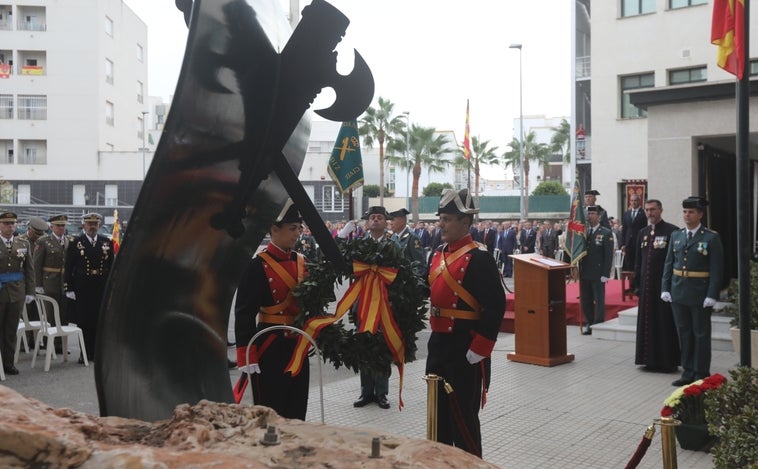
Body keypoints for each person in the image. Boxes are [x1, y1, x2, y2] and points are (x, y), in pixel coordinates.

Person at [426, 188, 505, 457]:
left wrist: (480, 349)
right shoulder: (437, 253)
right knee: (438, 417)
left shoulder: (480, 258)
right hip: (439, 346)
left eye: (447, 219)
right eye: (441, 218)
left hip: (465, 348)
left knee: (463, 419)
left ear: (465, 222)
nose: (441, 224)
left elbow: (495, 306)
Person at [234, 201, 310, 419]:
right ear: (274, 229)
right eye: (292, 228)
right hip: (270, 345)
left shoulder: (303, 262)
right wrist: (246, 355)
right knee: (270, 409)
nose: (297, 233)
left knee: (297, 406)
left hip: (298, 344)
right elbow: (244, 312)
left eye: (299, 228)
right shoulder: (256, 266)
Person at [661, 196, 723, 387]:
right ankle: (687, 372)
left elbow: (717, 268)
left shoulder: (710, 237)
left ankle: (701, 372)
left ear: (700, 214)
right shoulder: (676, 236)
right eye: (685, 212)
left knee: (700, 334)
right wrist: (665, 287)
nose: (687, 216)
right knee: (684, 334)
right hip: (678, 292)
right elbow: (669, 264)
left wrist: (712, 294)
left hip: (699, 293)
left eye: (691, 212)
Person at [339, 206, 394, 410]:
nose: (376, 220)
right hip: (362, 304)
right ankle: (366, 392)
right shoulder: (358, 244)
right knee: (364, 347)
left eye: (380, 217)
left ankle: (381, 393)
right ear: (367, 222)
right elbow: (341, 259)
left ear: (386, 222)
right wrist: (343, 236)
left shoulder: (393, 243)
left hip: (384, 305)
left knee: (381, 348)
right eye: (372, 217)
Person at [632, 199, 680, 372]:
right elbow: (639, 260)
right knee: (647, 322)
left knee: (664, 322)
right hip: (646, 286)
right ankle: (648, 359)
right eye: (647, 210)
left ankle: (667, 361)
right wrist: (636, 283)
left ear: (661, 210)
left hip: (663, 287)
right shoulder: (642, 232)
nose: (649, 213)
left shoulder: (672, 231)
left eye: (653, 209)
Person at [65, 212, 113, 363]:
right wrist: (69, 288)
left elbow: (111, 266)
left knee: (99, 320)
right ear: (84, 225)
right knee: (84, 321)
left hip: (101, 285)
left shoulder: (106, 242)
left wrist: (112, 287)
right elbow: (68, 267)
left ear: (99, 225)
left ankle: (97, 352)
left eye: (95, 224)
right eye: (89, 224)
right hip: (82, 286)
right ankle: (84, 353)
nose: (92, 227)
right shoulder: (76, 242)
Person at [0, 211, 36, 376]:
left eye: (12, 224)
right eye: (6, 223)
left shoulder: (23, 243)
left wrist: (30, 292)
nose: (10, 226)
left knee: (10, 330)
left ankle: (8, 363)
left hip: (17, 292)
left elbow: (29, 269)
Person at [33, 214, 70, 354]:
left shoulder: (68, 241)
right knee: (50, 316)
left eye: (63, 225)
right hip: (49, 282)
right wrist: (38, 285)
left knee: (63, 314)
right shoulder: (43, 241)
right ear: (52, 227)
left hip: (63, 283)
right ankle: (51, 344)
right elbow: (36, 264)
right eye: (58, 225)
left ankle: (61, 345)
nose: (61, 228)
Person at [579, 206, 614, 335]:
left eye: (593, 213)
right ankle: (589, 321)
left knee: (598, 299)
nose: (590, 215)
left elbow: (608, 255)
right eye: (588, 213)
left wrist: (605, 273)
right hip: (585, 271)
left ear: (599, 216)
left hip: (598, 272)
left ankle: (598, 323)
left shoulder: (605, 232)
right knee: (586, 299)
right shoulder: (584, 232)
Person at [388, 208, 427, 278]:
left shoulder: (412, 238)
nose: (390, 223)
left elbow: (419, 265)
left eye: (393, 220)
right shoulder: (393, 237)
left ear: (402, 221)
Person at [622, 193, 647, 272]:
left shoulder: (644, 213)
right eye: (632, 200)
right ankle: (630, 281)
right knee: (628, 263)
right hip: (628, 242)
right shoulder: (627, 213)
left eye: (635, 200)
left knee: (638, 262)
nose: (633, 202)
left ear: (639, 201)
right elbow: (624, 229)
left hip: (638, 241)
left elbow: (645, 228)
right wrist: (623, 244)